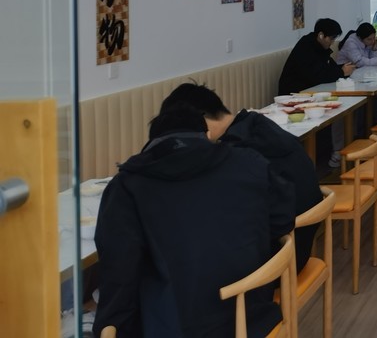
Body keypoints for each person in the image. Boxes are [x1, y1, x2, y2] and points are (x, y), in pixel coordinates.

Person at [93, 107, 295, 338]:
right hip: (254, 317)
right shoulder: (249, 161)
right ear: (207, 135)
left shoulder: (127, 187)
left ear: (151, 144)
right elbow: (282, 221)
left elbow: (119, 272)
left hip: (176, 328)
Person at [159, 82, 322, 272]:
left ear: (201, 120)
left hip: (274, 264)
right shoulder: (258, 126)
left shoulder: (237, 154)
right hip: (297, 243)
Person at [278, 18, 356, 93]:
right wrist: (341, 72)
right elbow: (317, 76)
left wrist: (344, 68)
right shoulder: (306, 47)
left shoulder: (320, 46)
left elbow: (329, 67)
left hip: (309, 90)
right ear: (321, 35)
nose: (332, 42)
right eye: (331, 38)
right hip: (294, 93)